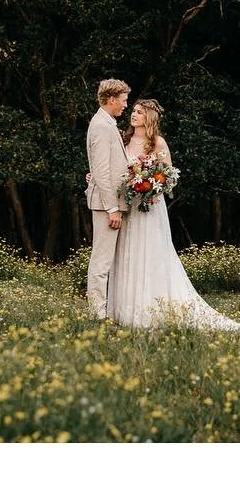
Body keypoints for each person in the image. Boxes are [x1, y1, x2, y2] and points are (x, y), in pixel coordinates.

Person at [106, 98, 240, 332]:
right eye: (133, 111)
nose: (133, 115)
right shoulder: (123, 139)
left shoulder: (158, 143)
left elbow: (169, 177)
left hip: (150, 208)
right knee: (127, 253)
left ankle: (151, 310)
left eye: (139, 112)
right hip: (129, 207)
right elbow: (115, 171)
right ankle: (125, 310)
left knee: (151, 254)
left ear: (149, 118)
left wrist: (152, 188)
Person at [84, 78, 132, 320]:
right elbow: (102, 171)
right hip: (106, 205)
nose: (126, 105)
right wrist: (112, 207)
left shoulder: (106, 123)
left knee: (106, 260)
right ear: (111, 99)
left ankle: (107, 310)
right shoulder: (102, 126)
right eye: (123, 100)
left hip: (109, 202)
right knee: (101, 261)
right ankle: (97, 314)